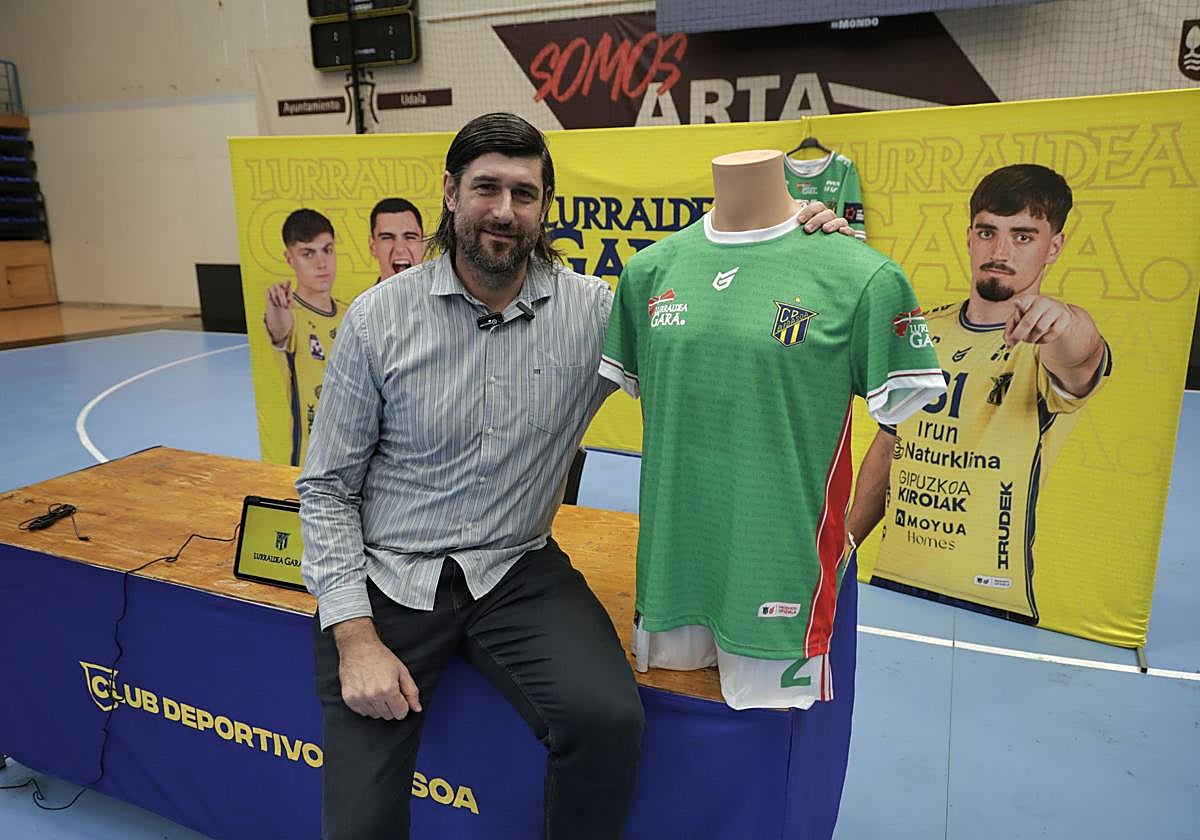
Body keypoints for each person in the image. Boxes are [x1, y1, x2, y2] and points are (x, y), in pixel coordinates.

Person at [297, 113, 855, 839]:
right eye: (486, 188)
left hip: (516, 566)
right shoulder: (377, 321)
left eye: (523, 194)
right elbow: (326, 488)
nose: (503, 210)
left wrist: (798, 247)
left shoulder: (597, 312)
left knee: (610, 721)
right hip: (390, 575)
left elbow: (723, 325)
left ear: (545, 206)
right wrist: (354, 637)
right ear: (449, 193)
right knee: (359, 822)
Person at [599, 149, 945, 711]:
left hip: (780, 575)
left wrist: (850, 536)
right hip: (670, 575)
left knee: (770, 755)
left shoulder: (863, 277)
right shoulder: (648, 272)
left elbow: (899, 426)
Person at [847, 163, 1111, 624]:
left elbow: (1081, 355)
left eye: (1024, 236)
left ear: (1055, 247)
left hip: (991, 600)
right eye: (988, 232)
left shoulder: (1048, 341)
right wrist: (843, 548)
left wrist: (1065, 320)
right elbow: (889, 445)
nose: (1001, 250)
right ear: (969, 236)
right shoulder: (920, 332)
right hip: (893, 578)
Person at [264, 208, 348, 467]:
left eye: (327, 250)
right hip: (309, 463)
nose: (321, 263)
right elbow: (279, 329)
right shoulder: (291, 314)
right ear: (289, 258)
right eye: (307, 254)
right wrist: (276, 306)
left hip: (350, 452)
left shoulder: (352, 313)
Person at [367, 197, 425, 284]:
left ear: (424, 245)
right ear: (373, 247)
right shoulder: (364, 298)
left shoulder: (447, 297)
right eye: (387, 238)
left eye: (410, 237)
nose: (400, 249)